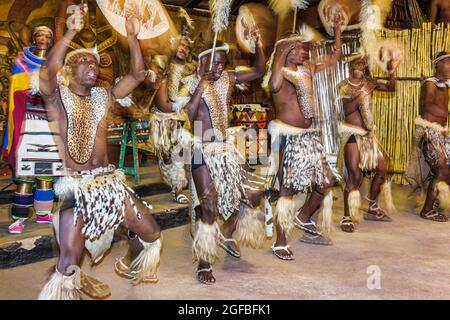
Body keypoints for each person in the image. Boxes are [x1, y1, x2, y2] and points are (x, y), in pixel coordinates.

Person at [37, 4, 162, 300]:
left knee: (152, 234)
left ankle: (129, 261)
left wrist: (132, 36)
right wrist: (70, 32)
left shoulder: (103, 96)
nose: (93, 65)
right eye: (84, 61)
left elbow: (136, 74)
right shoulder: (57, 98)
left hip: (110, 185)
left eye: (95, 63)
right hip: (77, 189)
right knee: (69, 262)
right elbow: (47, 72)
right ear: (69, 70)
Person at [184, 33, 266, 285]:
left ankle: (226, 233)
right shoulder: (189, 83)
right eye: (216, 63)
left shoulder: (228, 79)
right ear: (202, 62)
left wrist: (259, 45)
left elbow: (258, 70)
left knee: (252, 194)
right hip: (201, 148)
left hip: (227, 147)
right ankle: (204, 262)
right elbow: (188, 114)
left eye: (223, 63)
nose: (220, 67)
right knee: (209, 206)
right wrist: (201, 83)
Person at [264, 13, 343, 260]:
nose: (305, 53)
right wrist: (279, 52)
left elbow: (334, 59)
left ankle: (304, 216)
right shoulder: (279, 71)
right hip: (287, 137)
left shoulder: (307, 69)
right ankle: (280, 241)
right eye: (298, 49)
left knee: (326, 181)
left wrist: (338, 30)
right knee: (286, 190)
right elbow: (274, 86)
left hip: (309, 136)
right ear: (286, 51)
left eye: (305, 49)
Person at [2, 25, 59, 234]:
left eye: (48, 35)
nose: (44, 38)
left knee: (46, 172)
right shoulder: (21, 61)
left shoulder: (55, 62)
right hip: (27, 122)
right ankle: (19, 216)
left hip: (47, 125)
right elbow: (15, 89)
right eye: (40, 35)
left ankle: (44, 213)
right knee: (25, 174)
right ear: (33, 38)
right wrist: (31, 85)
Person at [337, 53, 398, 232]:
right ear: (350, 67)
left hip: (368, 135)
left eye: (363, 65)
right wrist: (363, 91)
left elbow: (391, 88)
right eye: (357, 64)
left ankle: (372, 205)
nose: (361, 67)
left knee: (383, 167)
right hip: (352, 134)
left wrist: (391, 71)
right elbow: (346, 109)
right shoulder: (343, 86)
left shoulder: (369, 82)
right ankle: (347, 216)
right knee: (354, 175)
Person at [149, 13, 196, 204]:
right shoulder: (161, 65)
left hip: (180, 118)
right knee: (166, 157)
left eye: (187, 47)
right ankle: (174, 183)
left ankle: (178, 189)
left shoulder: (191, 70)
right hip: (161, 120)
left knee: (179, 156)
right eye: (181, 45)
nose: (184, 49)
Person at [406, 52, 450, 222]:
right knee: (442, 171)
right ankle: (427, 210)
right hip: (429, 133)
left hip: (441, 133)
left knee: (446, 172)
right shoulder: (430, 84)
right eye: (447, 63)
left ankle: (436, 200)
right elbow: (429, 106)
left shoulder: (445, 84)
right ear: (438, 65)